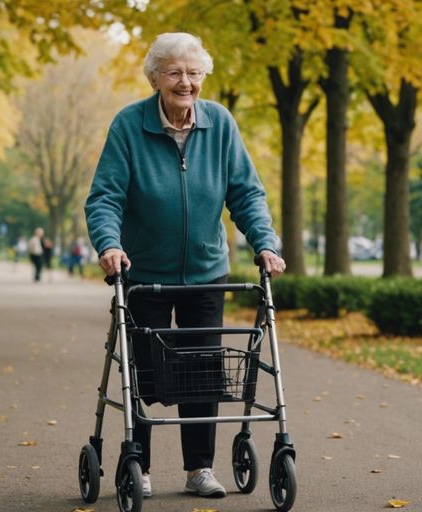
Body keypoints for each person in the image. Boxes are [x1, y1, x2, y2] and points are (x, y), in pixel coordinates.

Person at [85, 32, 286, 501]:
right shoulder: (129, 125)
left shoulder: (220, 124)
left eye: (194, 73)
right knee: (146, 373)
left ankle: (200, 468)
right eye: (175, 72)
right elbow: (105, 197)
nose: (186, 82)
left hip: (205, 272)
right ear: (155, 77)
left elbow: (245, 193)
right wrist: (109, 245)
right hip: (144, 275)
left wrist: (264, 243)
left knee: (202, 371)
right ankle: (141, 466)